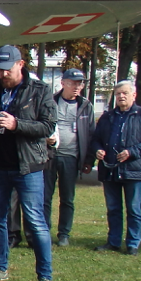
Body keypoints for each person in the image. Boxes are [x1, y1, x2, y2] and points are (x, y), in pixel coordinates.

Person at [0, 45, 56, 281]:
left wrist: (16, 124)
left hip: (28, 166)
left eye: (7, 69)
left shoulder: (39, 90)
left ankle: (45, 277)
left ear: (21, 65)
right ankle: (0, 267)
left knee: (35, 220)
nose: (3, 74)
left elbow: (48, 126)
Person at [93, 82, 141, 255]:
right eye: (117, 94)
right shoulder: (107, 117)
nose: (121, 97)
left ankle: (133, 243)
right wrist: (97, 150)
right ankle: (113, 241)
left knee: (134, 209)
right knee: (113, 208)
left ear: (133, 95)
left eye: (124, 93)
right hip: (110, 169)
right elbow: (96, 138)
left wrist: (132, 152)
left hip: (133, 170)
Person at [44, 68, 95, 247]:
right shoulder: (51, 102)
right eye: (72, 83)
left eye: (79, 83)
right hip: (50, 155)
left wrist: (88, 160)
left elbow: (91, 135)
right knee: (45, 196)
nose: (76, 86)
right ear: (63, 83)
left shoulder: (85, 106)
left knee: (67, 198)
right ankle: (44, 232)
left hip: (71, 157)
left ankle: (64, 233)